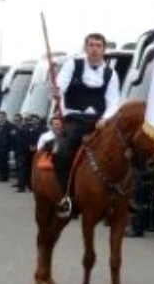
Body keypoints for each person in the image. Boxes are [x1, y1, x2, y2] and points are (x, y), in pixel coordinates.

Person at [51, 33, 121, 217]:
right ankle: (67, 196)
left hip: (99, 121)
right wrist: (57, 92)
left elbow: (114, 102)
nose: (95, 49)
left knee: (123, 153)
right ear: (85, 47)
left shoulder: (111, 74)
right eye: (91, 45)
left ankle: (117, 199)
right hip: (75, 119)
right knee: (61, 152)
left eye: (98, 46)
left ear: (104, 50)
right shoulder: (72, 65)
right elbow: (60, 85)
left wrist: (105, 119)